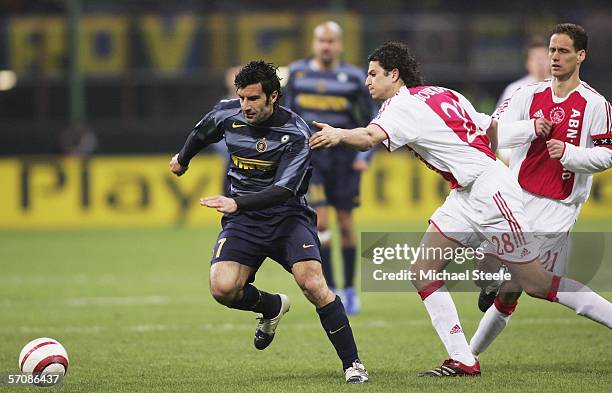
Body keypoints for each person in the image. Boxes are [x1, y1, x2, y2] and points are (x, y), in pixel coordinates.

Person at [309, 41, 612, 377]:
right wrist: (529, 128)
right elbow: (486, 126)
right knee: (423, 269)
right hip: (465, 194)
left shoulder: (401, 108)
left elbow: (368, 137)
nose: (368, 81)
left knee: (536, 283)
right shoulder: (439, 93)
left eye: (374, 73)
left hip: (491, 190)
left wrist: (338, 133)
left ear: (394, 75)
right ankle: (463, 358)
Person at [169, 60, 368, 384]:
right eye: (242, 98)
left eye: (253, 99)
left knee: (314, 284)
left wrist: (236, 202)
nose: (245, 106)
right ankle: (272, 307)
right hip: (245, 221)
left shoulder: (295, 133)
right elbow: (201, 132)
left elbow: (283, 190)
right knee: (223, 288)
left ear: (273, 96)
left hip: (288, 217)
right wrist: (182, 159)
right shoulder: (227, 112)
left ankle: (353, 364)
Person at [470, 23, 612, 357]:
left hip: (557, 208)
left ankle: (465, 357)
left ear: (581, 55)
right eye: (551, 50)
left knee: (529, 285)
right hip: (517, 199)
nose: (555, 57)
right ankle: (466, 355)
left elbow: (607, 154)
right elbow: (495, 133)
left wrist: (571, 154)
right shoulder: (526, 94)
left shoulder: (595, 104)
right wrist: (530, 129)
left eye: (563, 51)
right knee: (495, 279)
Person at [283, 21, 379, 314]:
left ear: (339, 44)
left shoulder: (352, 78)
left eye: (331, 41)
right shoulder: (297, 74)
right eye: (321, 40)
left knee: (346, 223)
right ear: (314, 43)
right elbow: (286, 114)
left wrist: (366, 154)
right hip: (313, 159)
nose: (325, 46)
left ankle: (350, 289)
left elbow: (374, 115)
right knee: (321, 223)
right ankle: (333, 286)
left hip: (345, 158)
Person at [495, 38, 551, 163]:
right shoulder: (515, 90)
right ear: (528, 63)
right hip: (521, 162)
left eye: (544, 58)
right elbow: (499, 126)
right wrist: (508, 157)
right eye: (536, 59)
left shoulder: (564, 88)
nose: (540, 63)